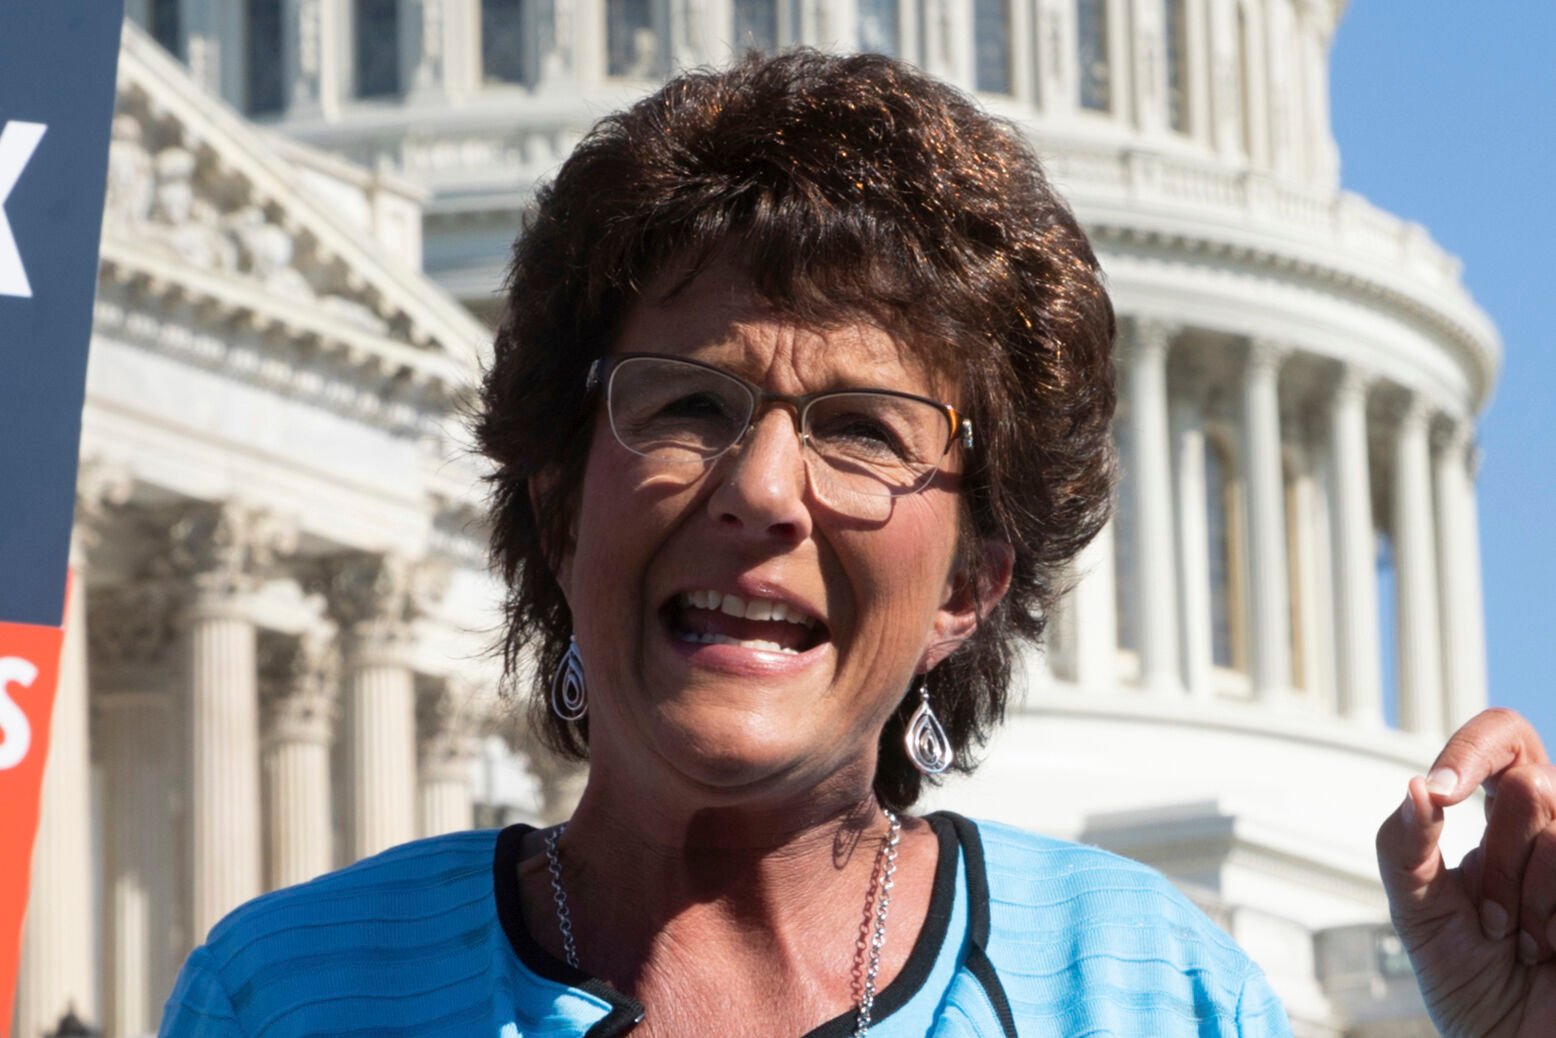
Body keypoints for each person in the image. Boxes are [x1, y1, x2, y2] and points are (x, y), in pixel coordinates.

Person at [159, 50, 1555, 1037]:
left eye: (863, 432)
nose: (763, 488)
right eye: (687, 403)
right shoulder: (293, 995)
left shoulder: (1142, 992)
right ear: (553, 493)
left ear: (972, 577)